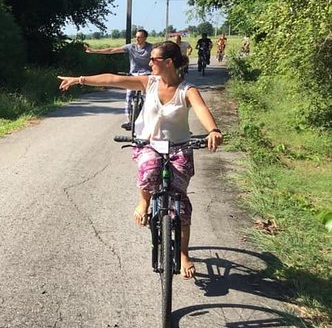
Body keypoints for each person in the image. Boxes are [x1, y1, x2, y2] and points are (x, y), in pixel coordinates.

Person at [58, 41, 223, 279]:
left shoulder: (187, 90)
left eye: (153, 59)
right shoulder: (149, 83)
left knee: (182, 203)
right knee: (149, 169)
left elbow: (202, 109)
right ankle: (144, 202)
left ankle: (184, 253)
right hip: (149, 144)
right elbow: (112, 79)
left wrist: (213, 130)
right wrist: (80, 79)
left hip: (180, 148)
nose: (149, 63)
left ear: (168, 62)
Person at [84, 29, 152, 130]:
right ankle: (129, 120)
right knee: (129, 97)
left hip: (147, 74)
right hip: (133, 74)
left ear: (145, 38)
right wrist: (94, 50)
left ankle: (148, 119)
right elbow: (112, 50)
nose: (137, 39)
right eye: (136, 37)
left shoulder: (151, 48)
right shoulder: (131, 47)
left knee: (149, 97)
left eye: (139, 37)